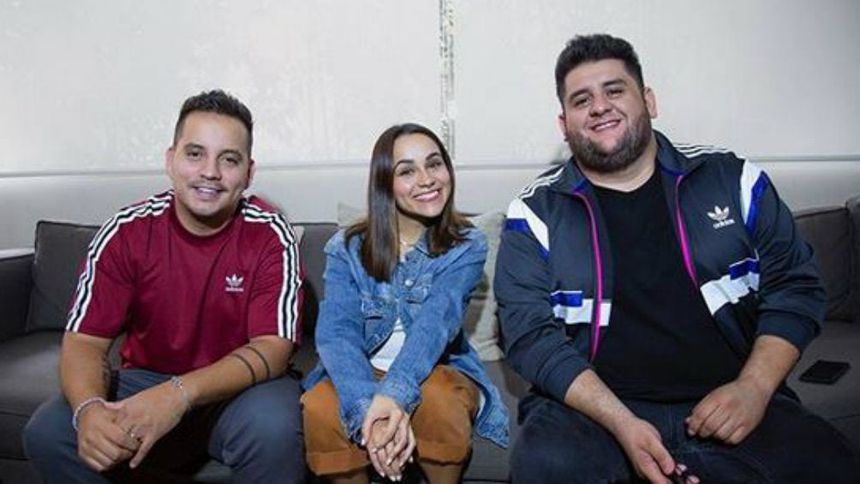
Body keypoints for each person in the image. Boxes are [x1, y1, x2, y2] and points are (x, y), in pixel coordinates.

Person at [495, 34, 860, 483]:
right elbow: (528, 335)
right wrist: (622, 422)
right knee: (545, 467)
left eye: (615, 90)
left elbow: (795, 287)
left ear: (648, 100)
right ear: (564, 124)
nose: (600, 107)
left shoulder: (731, 180)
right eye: (581, 100)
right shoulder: (535, 212)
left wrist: (753, 388)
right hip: (593, 413)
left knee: (832, 465)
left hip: (729, 396)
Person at [23, 90, 305, 483]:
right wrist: (88, 409)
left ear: (249, 173)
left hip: (238, 393)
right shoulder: (126, 231)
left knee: (275, 427)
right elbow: (85, 342)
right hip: (147, 379)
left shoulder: (271, 234)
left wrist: (178, 395)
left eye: (229, 159)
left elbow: (273, 349)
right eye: (195, 154)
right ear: (170, 160)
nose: (210, 172)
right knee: (49, 432)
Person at [302, 123, 508, 483]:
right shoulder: (346, 247)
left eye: (434, 164)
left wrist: (393, 396)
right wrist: (369, 412)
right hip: (360, 367)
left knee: (440, 401)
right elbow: (337, 333)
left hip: (434, 365)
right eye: (407, 171)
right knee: (320, 407)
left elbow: (436, 323)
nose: (427, 179)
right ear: (385, 183)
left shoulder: (468, 245)